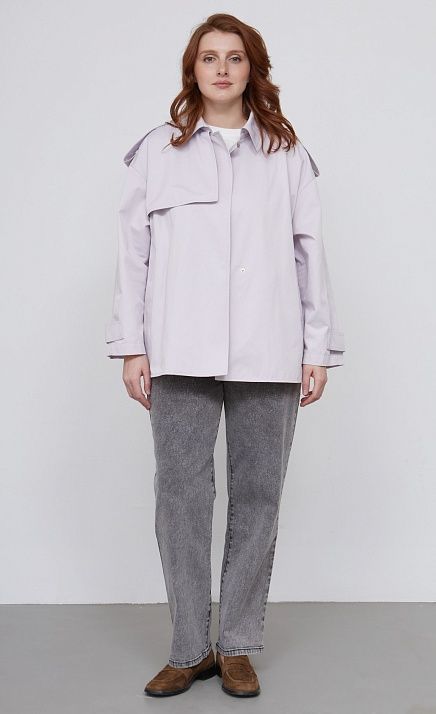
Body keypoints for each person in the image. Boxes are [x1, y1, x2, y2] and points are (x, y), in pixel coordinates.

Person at [105, 12, 345, 699]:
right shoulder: (159, 151)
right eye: (208, 57)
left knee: (259, 496)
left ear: (251, 68)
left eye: (233, 57)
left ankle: (237, 644)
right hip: (178, 349)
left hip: (270, 348)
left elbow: (309, 253)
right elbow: (132, 254)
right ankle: (189, 647)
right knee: (180, 498)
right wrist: (131, 346)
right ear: (193, 69)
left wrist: (316, 348)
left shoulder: (286, 154)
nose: (221, 68)